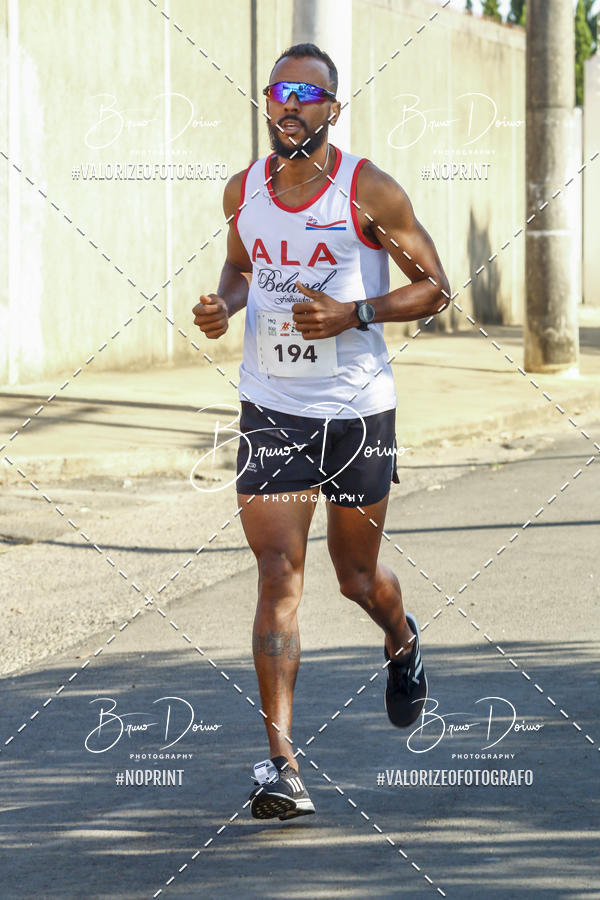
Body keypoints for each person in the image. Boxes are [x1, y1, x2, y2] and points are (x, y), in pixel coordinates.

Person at [192, 42, 451, 822]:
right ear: (267, 103)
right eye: (280, 92)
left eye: (308, 95)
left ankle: (401, 640)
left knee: (356, 578)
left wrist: (353, 313)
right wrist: (224, 303)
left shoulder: (367, 189)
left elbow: (435, 288)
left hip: (358, 410)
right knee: (278, 573)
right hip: (272, 407)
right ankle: (282, 767)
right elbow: (241, 267)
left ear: (333, 109)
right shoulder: (244, 190)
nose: (291, 106)